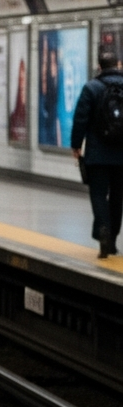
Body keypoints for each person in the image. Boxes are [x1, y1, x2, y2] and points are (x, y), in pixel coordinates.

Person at [71, 50, 123, 258]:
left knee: (99, 193)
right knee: (118, 196)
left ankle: (102, 228)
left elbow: (80, 118)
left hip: (97, 153)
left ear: (99, 67)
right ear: (118, 65)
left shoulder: (91, 87)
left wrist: (76, 145)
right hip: (121, 155)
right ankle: (112, 239)